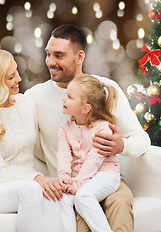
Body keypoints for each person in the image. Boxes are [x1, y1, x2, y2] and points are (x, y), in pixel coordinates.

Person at [0, 24, 151, 231]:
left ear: (79, 57)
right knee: (80, 217)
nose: (51, 62)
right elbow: (2, 114)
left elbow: (142, 140)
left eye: (59, 55)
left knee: (119, 204)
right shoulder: (34, 97)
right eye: (48, 54)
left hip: (104, 177)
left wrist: (121, 145)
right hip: (66, 185)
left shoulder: (104, 89)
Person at [0, 47, 61, 232]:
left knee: (58, 196)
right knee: (32, 191)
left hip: (25, 185)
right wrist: (37, 178)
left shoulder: (25, 103)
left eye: (16, 72)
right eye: (11, 77)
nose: (18, 79)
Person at [57, 74, 121, 232]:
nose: (64, 99)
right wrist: (64, 177)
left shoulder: (103, 127)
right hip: (82, 178)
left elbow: (94, 159)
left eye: (70, 97)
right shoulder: (64, 128)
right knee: (63, 198)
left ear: (85, 108)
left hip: (106, 175)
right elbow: (63, 155)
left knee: (83, 197)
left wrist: (78, 183)